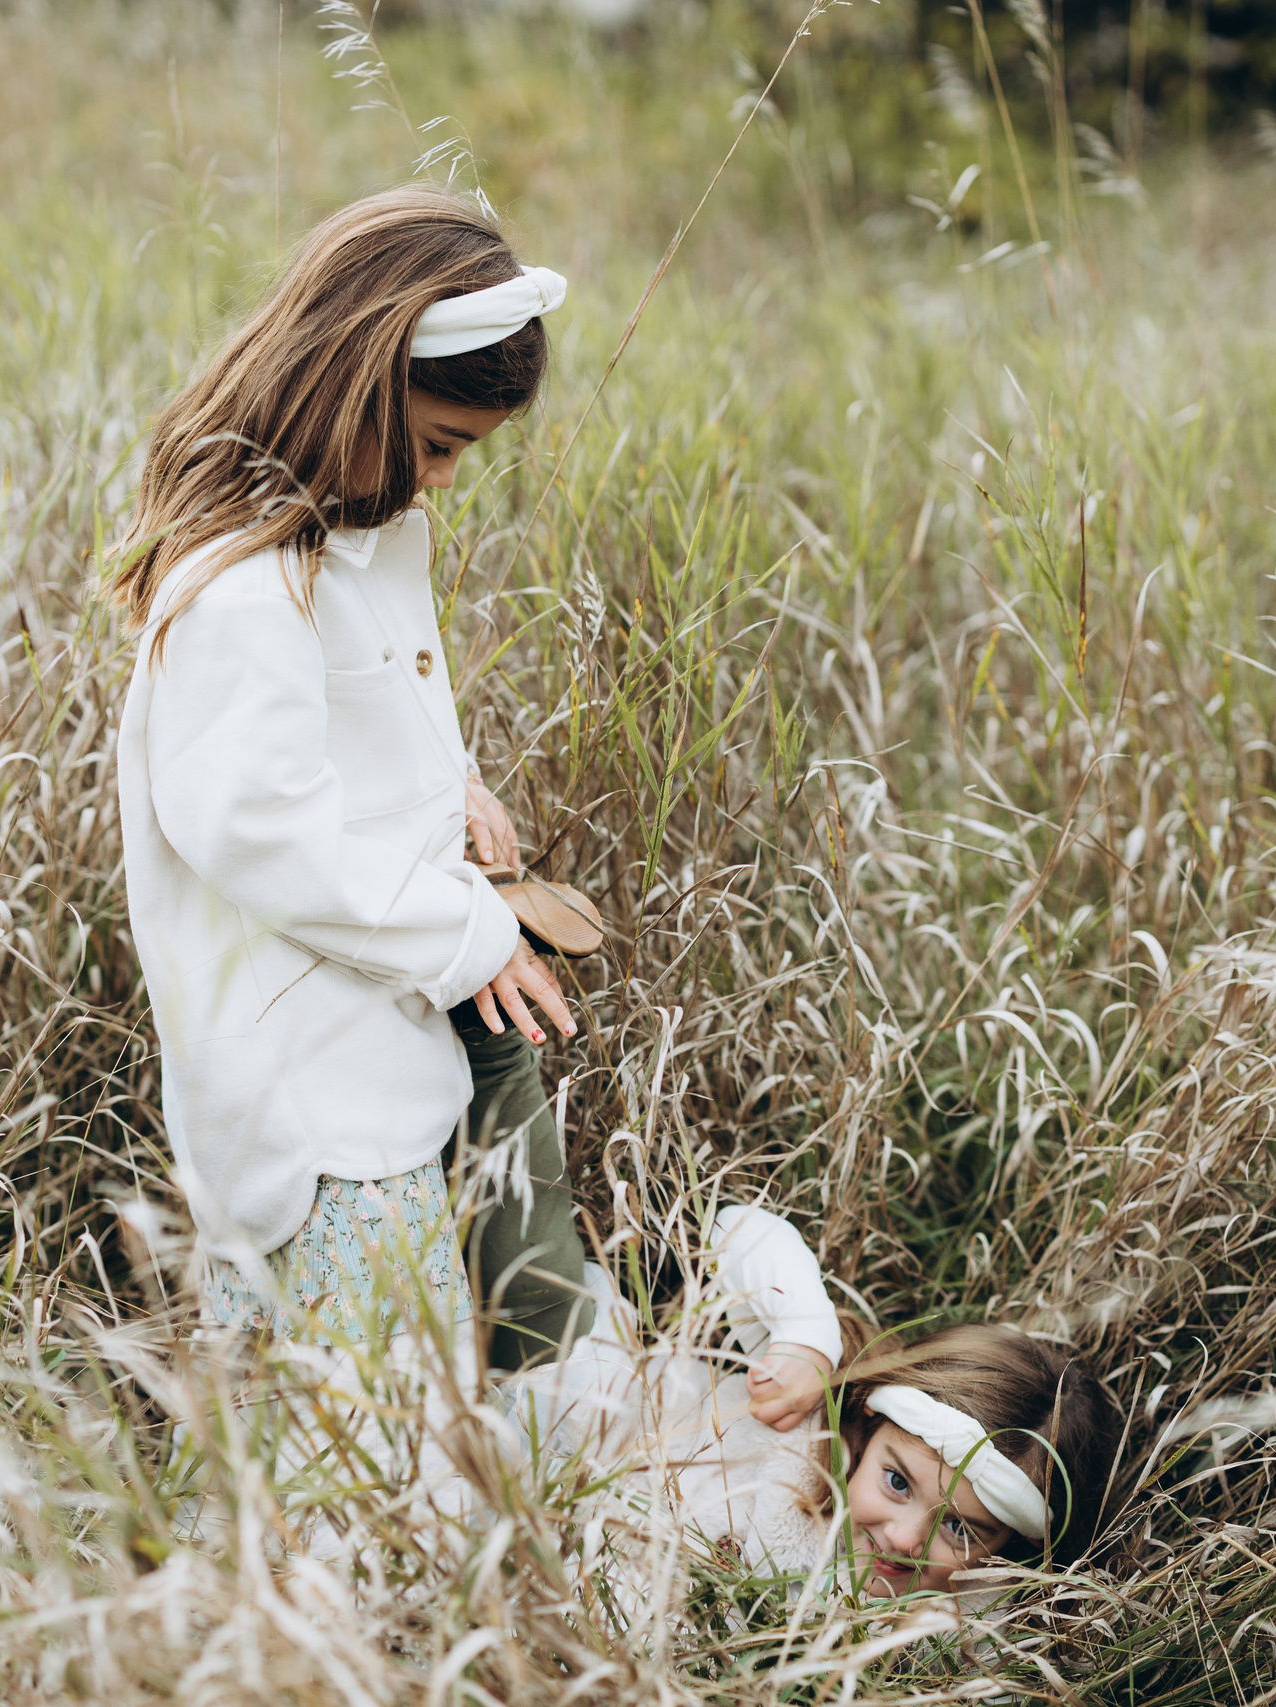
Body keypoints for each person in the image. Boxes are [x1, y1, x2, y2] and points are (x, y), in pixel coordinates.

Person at [108, 185, 591, 1365]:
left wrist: (449, 782)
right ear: (351, 386)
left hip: (378, 1057)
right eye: (438, 445)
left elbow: (363, 708)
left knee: (414, 1378)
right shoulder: (245, 587)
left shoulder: (359, 538)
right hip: (306, 1088)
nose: (446, 480)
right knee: (350, 1409)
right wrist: (471, 934)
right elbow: (259, 826)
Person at [509, 1207, 1123, 1601]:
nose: (905, 1538)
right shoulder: (807, 1425)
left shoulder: (959, 1623)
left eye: (960, 1528)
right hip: (580, 1426)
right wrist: (807, 1340)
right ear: (872, 1422)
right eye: (897, 1482)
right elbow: (736, 1229)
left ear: (1012, 1548)